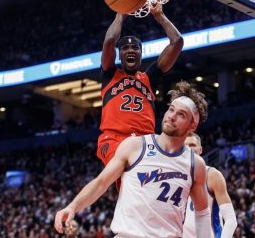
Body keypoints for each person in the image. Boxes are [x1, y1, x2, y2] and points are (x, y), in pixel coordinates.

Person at [55, 81, 211, 237]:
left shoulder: (195, 164)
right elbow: (101, 183)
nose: (171, 116)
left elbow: (202, 213)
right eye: (171, 109)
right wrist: (72, 207)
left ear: (192, 125)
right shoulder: (135, 146)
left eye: (181, 114)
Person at [97, 3, 184, 166]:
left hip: (146, 142)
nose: (130, 50)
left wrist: (159, 16)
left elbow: (177, 41)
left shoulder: (149, 78)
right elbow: (109, 40)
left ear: (141, 55)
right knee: (126, 170)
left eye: (135, 48)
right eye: (125, 48)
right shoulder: (110, 74)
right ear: (119, 55)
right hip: (114, 140)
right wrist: (120, 15)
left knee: (145, 187)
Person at [183, 133, 237, 238]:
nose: (188, 149)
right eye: (184, 146)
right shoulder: (175, 178)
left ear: (200, 149)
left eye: (192, 145)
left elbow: (231, 220)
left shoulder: (212, 175)